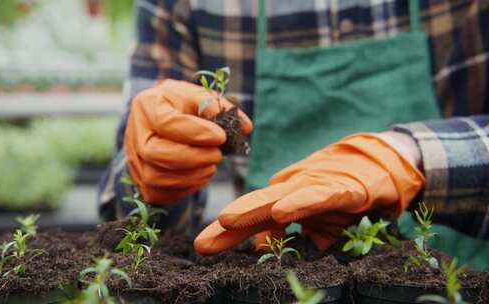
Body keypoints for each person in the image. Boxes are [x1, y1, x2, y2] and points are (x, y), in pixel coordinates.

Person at [98, 0, 488, 268]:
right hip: (271, 273)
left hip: (457, 274)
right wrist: (150, 174)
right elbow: (138, 237)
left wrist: (414, 155)